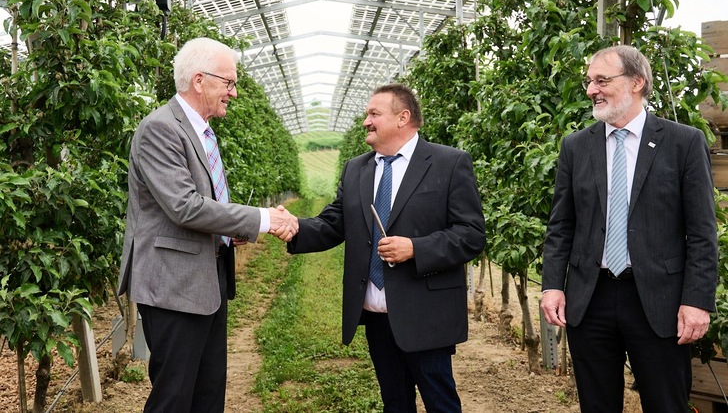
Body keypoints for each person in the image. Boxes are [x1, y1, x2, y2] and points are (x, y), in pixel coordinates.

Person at [117, 37, 298, 413]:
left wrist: (228, 229)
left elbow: (203, 204)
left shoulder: (200, 130)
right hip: (173, 284)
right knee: (174, 396)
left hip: (206, 279)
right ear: (200, 80)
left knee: (207, 391)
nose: (233, 92)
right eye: (228, 83)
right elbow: (184, 206)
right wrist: (262, 219)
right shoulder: (160, 129)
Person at [541, 44, 718, 412]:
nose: (592, 89)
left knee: (666, 403)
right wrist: (553, 286)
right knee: (597, 404)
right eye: (590, 81)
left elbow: (702, 232)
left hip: (660, 301)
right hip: (591, 299)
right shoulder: (576, 146)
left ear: (637, 82)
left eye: (602, 80)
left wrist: (697, 301)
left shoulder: (682, 142)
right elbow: (561, 225)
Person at [287, 83, 486, 413]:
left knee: (441, 402)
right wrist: (293, 227)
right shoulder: (357, 169)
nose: (366, 121)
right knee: (395, 402)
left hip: (425, 312)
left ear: (402, 117)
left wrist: (416, 248)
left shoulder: (448, 163)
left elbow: (471, 234)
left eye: (373, 114)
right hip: (376, 313)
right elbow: (334, 223)